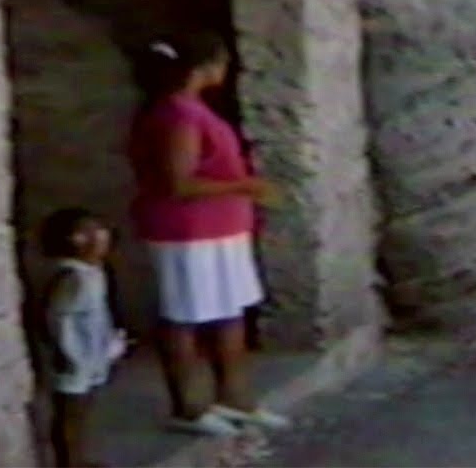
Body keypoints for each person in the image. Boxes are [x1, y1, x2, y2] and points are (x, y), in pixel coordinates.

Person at [128, 32, 290, 437]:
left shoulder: (192, 111)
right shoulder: (178, 115)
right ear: (202, 68)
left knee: (228, 312)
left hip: (219, 229)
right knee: (184, 316)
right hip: (187, 232)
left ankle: (235, 398)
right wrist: (244, 187)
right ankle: (188, 406)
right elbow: (178, 183)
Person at [40, 207, 127, 468]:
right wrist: (66, 352)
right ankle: (68, 462)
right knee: (70, 413)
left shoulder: (93, 272)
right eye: (87, 232)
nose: (99, 237)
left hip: (90, 353)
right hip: (74, 355)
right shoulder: (72, 277)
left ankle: (78, 458)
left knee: (83, 409)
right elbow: (57, 318)